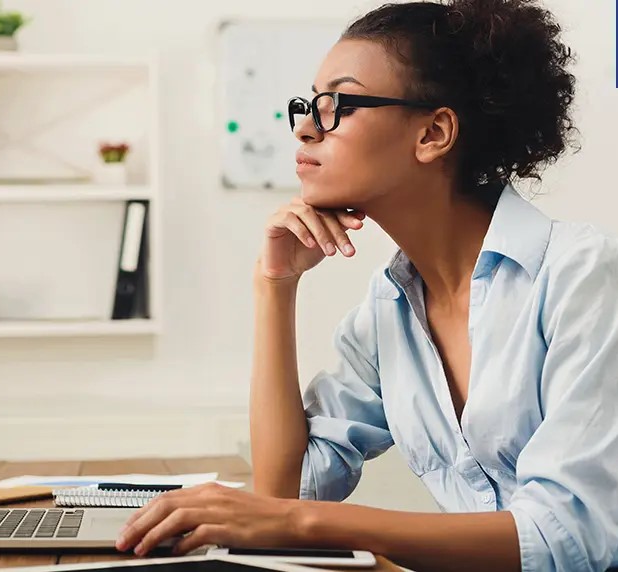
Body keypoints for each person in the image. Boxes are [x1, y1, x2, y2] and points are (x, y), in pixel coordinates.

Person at [116, 0, 618, 570]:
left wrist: (299, 525)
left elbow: (571, 538)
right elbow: (287, 490)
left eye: (336, 106)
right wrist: (273, 287)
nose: (306, 126)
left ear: (433, 132)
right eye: (308, 104)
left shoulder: (581, 274)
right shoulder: (389, 311)